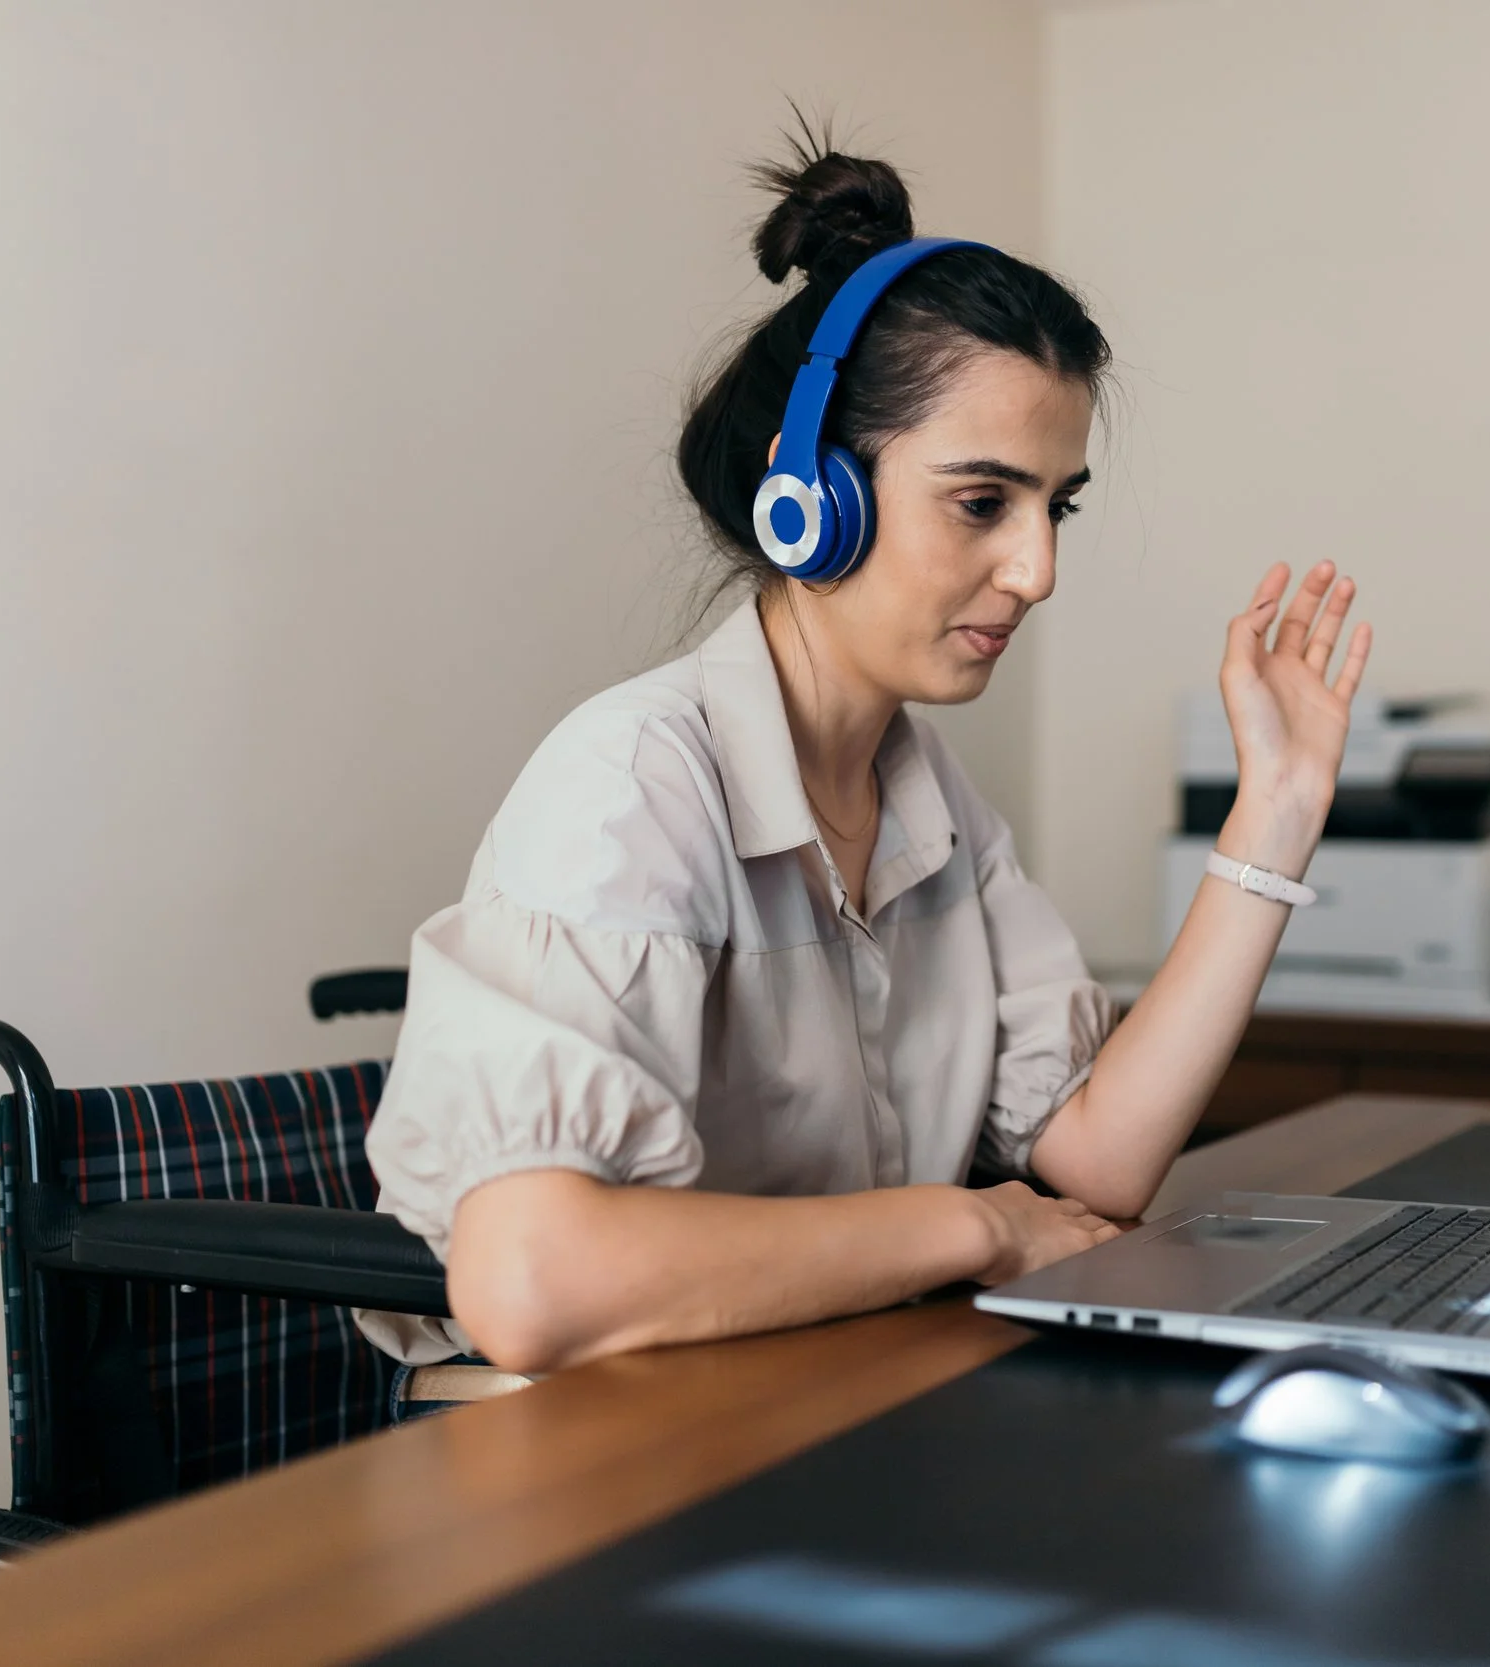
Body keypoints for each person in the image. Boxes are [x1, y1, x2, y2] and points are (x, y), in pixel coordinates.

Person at [359, 138, 1369, 1379]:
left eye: (1057, 507)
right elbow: (532, 1282)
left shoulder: (924, 793)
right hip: (576, 1466)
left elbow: (1097, 1161)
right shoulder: (633, 781)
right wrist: (973, 1223)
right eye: (981, 501)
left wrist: (1273, 811)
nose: (1036, 570)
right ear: (810, 496)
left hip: (806, 1402)